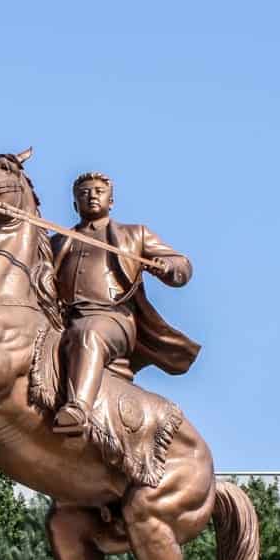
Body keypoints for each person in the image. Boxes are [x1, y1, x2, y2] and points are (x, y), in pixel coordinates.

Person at [49, 172, 200, 436]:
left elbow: (182, 264)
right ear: (75, 204)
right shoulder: (59, 241)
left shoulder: (135, 234)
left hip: (112, 317)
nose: (92, 195)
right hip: (65, 318)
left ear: (111, 200)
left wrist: (169, 268)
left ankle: (78, 408)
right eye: (84, 192)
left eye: (98, 190)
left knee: (88, 333)